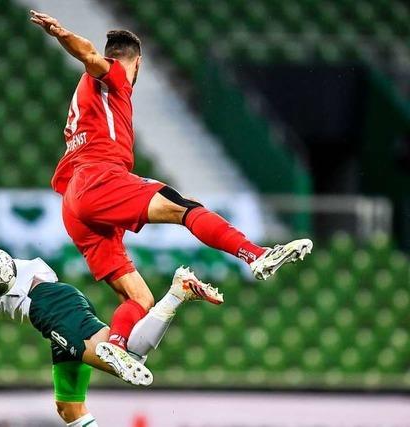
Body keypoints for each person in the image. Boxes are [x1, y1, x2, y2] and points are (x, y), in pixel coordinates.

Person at [29, 10, 313, 352]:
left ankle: (117, 345)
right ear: (139, 64)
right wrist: (62, 34)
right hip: (99, 178)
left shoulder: (85, 95)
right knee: (185, 209)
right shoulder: (114, 75)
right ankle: (255, 254)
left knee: (139, 297)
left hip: (74, 204)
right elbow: (89, 54)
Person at [0, 240, 223, 427]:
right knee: (69, 407)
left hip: (46, 307)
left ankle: (177, 292)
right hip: (54, 294)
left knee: (131, 359)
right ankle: (169, 299)